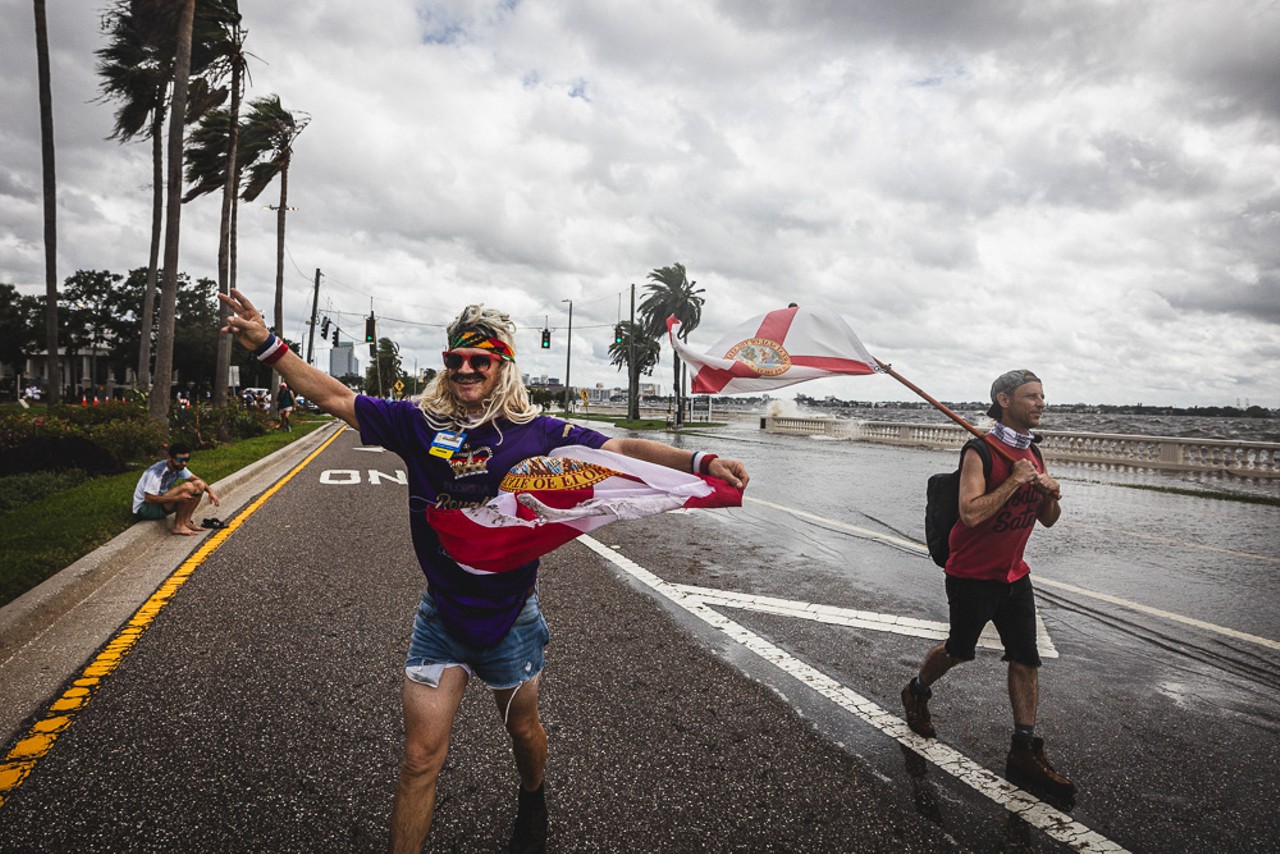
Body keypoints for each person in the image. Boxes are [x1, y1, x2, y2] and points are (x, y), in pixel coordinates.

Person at [219, 288, 748, 853]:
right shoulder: (416, 424)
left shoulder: (539, 433)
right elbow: (336, 397)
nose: (467, 368)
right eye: (456, 359)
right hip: (441, 618)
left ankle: (533, 793)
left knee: (521, 730)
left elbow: (617, 446)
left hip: (510, 620)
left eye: (481, 360)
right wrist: (267, 346)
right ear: (445, 366)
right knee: (419, 758)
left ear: (502, 366)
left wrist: (699, 461)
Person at [901, 369, 1074, 797]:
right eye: (1031, 396)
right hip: (972, 575)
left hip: (1014, 573)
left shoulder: (1032, 451)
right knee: (959, 651)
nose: (1040, 403)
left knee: (1025, 658)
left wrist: (1050, 493)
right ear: (1003, 399)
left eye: (1042, 396)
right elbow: (972, 513)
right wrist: (1014, 481)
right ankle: (917, 690)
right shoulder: (979, 451)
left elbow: (1048, 521)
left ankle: (1023, 749)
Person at [132, 443, 221, 536]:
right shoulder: (157, 471)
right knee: (187, 487)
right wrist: (176, 499)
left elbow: (196, 479)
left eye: (186, 459)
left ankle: (186, 522)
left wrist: (211, 492)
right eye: (180, 460)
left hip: (161, 503)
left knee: (199, 484)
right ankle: (178, 526)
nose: (184, 463)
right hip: (146, 509)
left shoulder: (179, 467)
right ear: (170, 458)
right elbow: (148, 498)